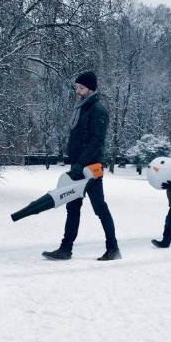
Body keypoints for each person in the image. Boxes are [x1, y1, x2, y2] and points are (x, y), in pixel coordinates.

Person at [42, 71, 121, 261]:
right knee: (72, 207)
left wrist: (80, 164)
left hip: (91, 168)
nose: (77, 91)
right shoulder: (81, 108)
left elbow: (97, 142)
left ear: (91, 89)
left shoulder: (98, 110)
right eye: (77, 87)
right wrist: (74, 163)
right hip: (77, 167)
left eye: (81, 88)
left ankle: (113, 248)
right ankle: (65, 249)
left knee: (100, 208)